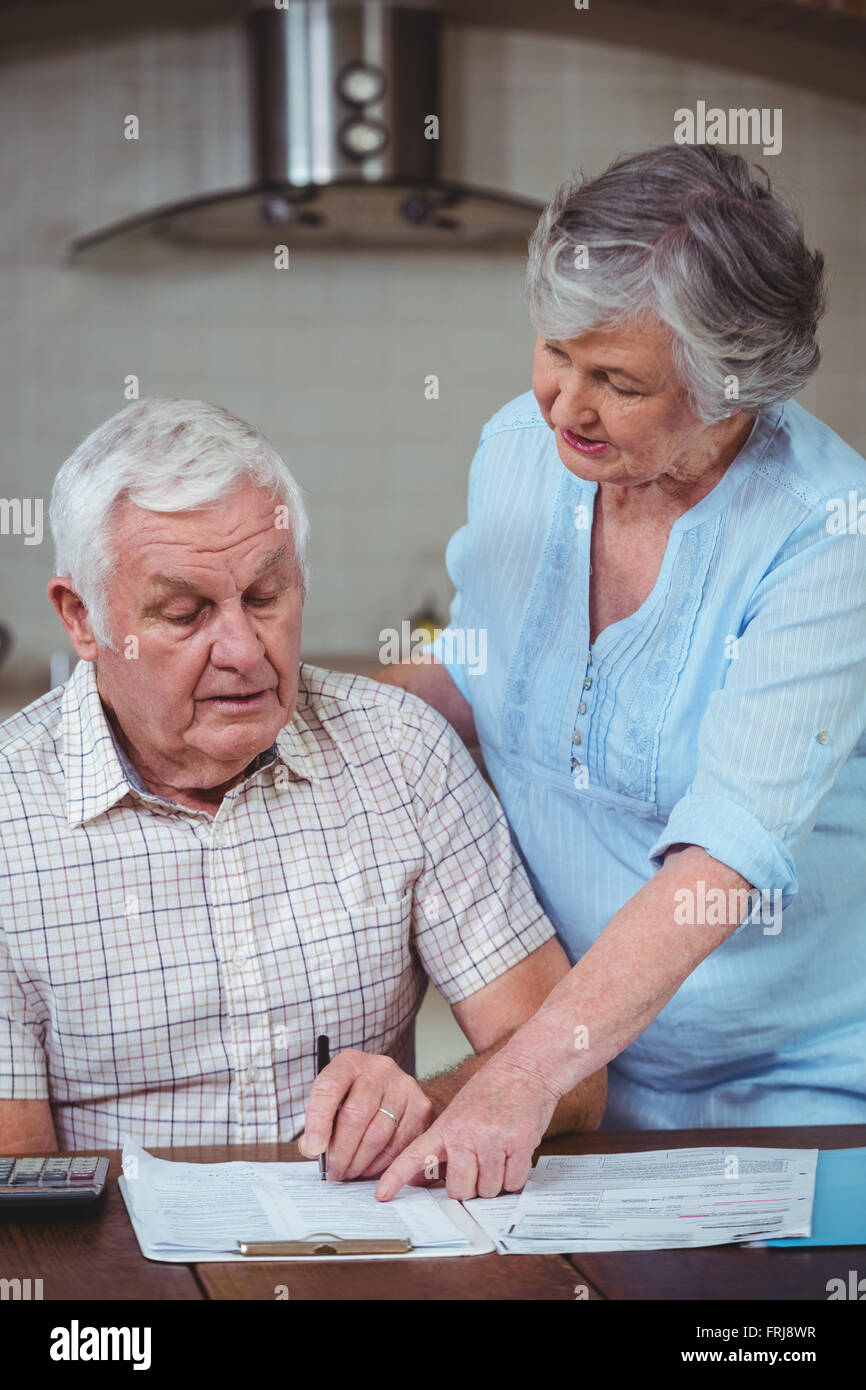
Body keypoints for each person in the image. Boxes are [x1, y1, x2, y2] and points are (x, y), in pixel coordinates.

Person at [374, 144, 866, 1204]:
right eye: (554, 351)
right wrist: (303, 713)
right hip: (577, 1085)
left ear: (733, 384)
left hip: (794, 1100)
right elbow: (478, 677)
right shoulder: (518, 448)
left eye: (618, 382)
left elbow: (720, 859)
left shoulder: (827, 535)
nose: (563, 404)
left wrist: (518, 1072)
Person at [0, 397, 605, 1163]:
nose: (245, 651)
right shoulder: (9, 818)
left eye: (265, 597)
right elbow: (19, 1197)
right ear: (81, 618)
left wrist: (425, 1106)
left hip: (362, 1264)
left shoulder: (402, 753)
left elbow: (572, 1069)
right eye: (184, 614)